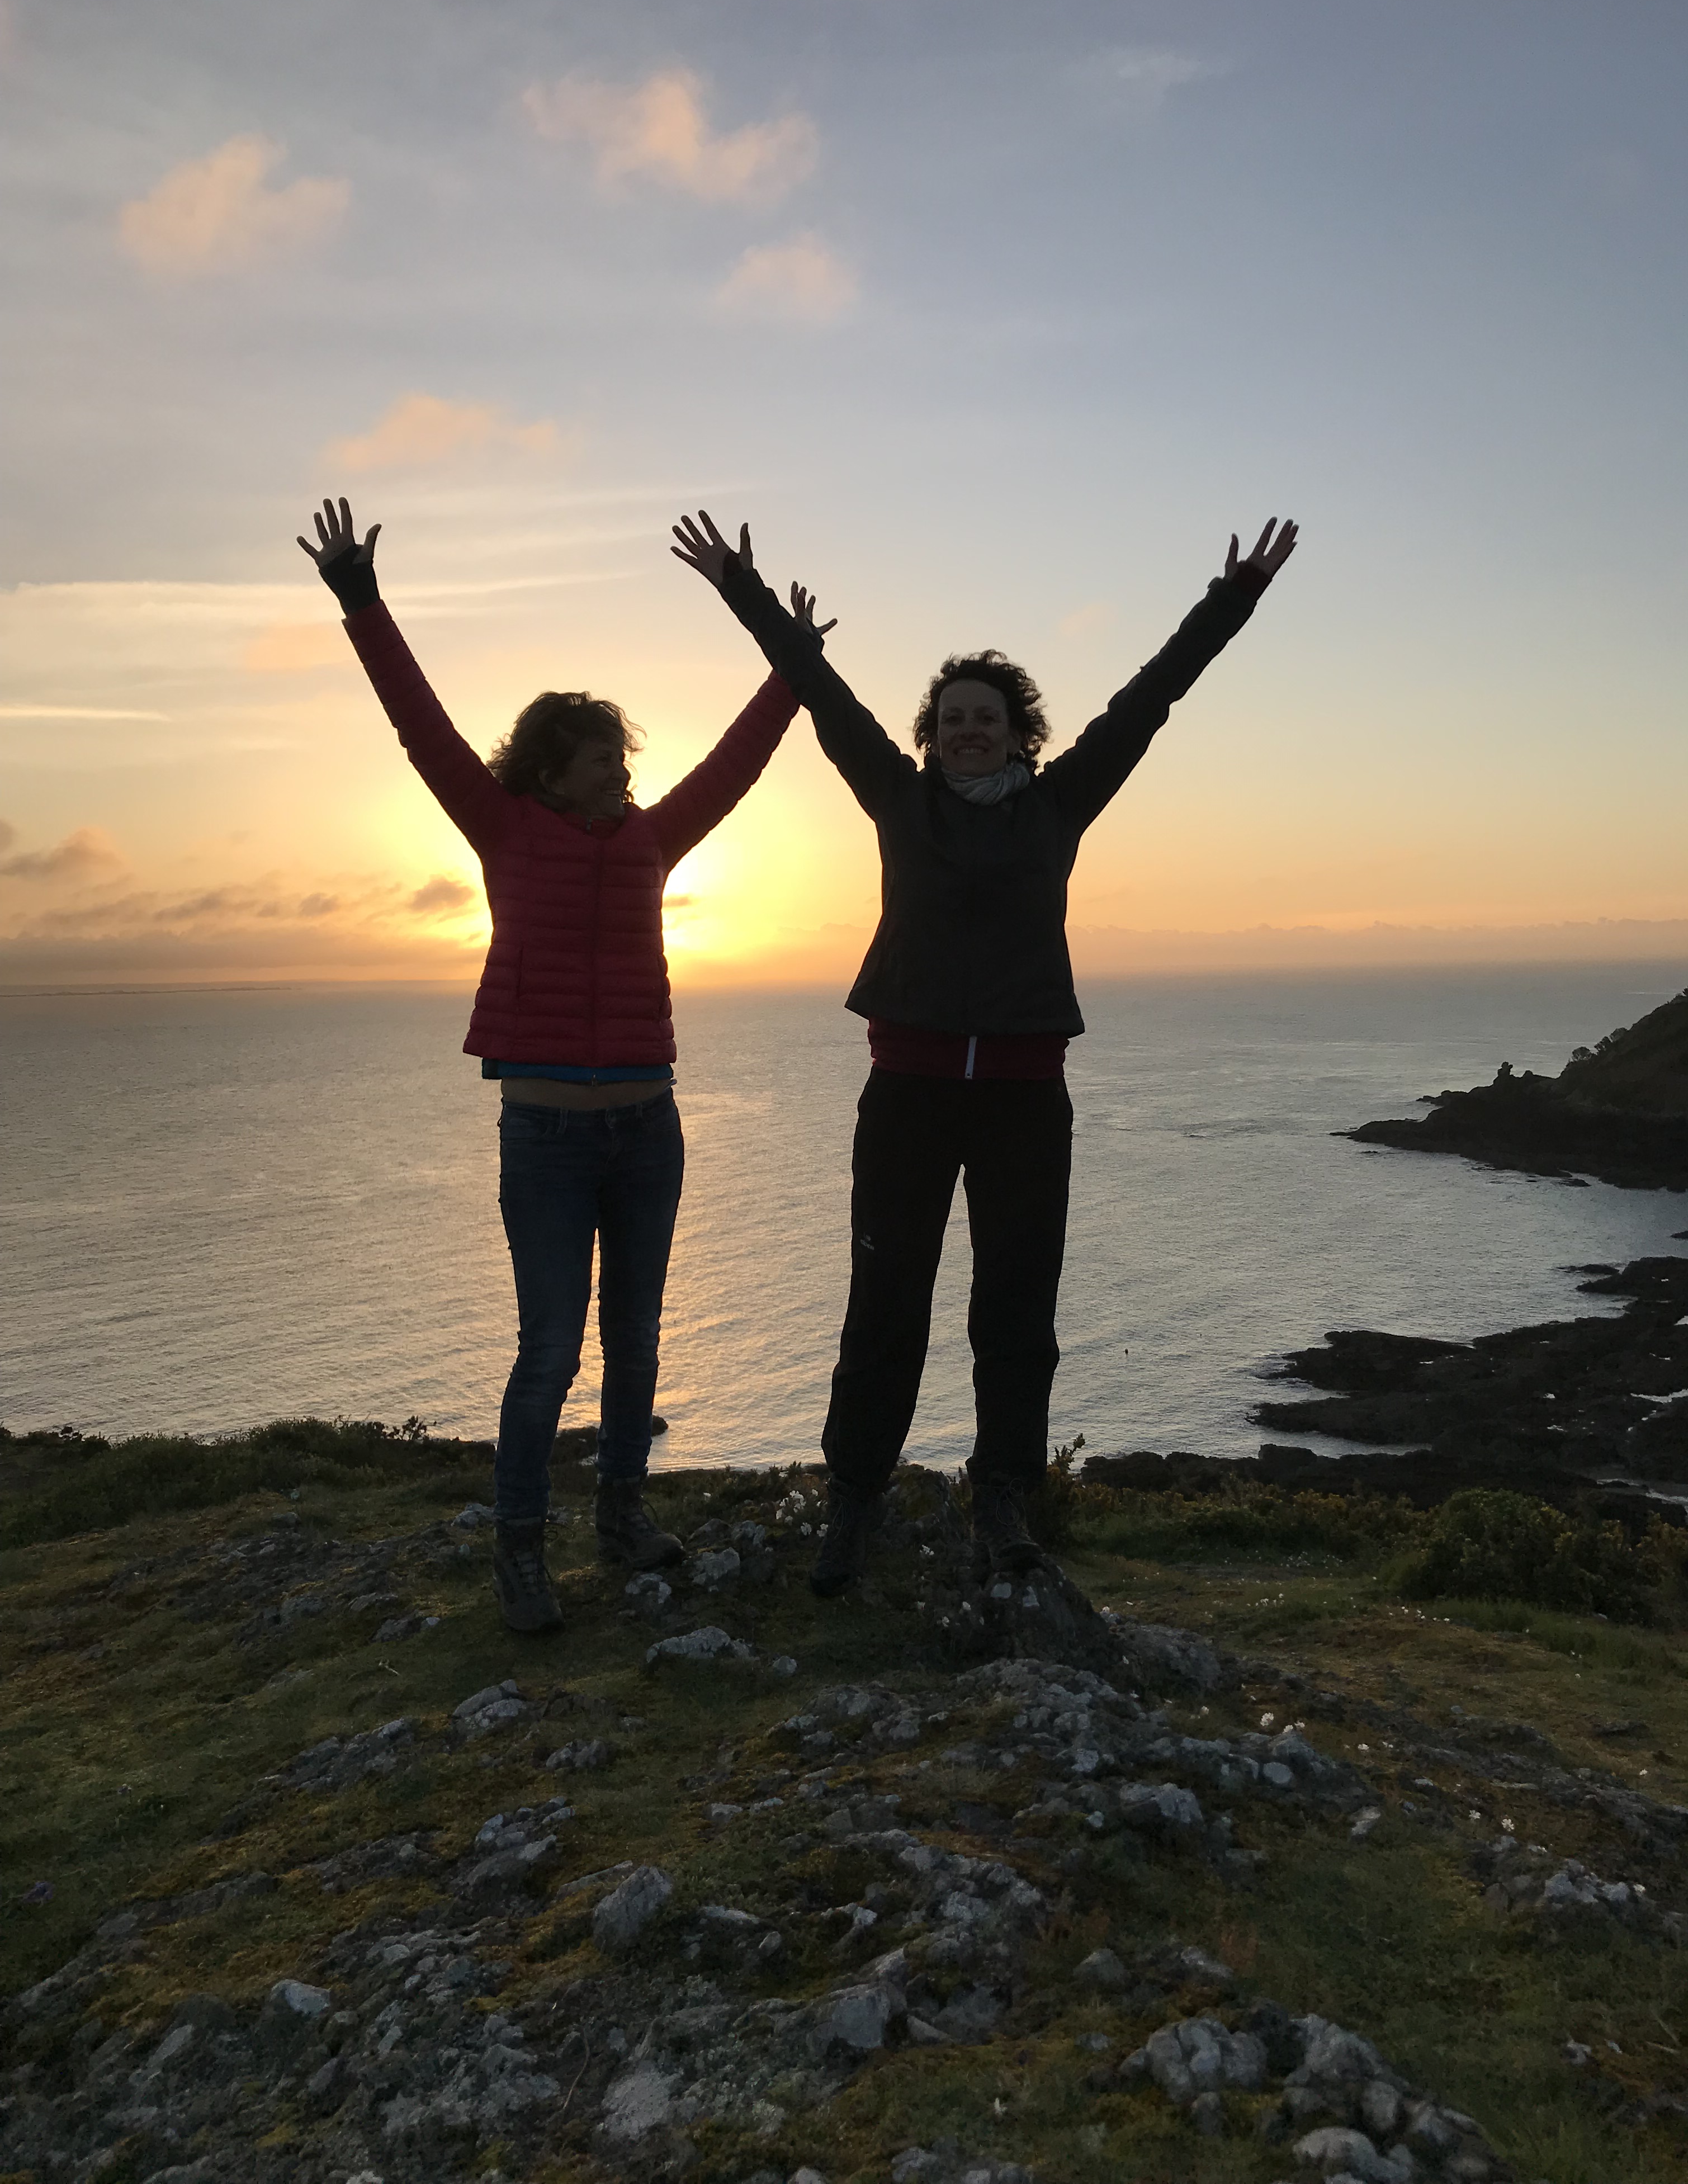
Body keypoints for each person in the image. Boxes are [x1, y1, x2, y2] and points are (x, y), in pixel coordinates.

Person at [673, 507, 1297, 1594]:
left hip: (1022, 1100)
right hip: (906, 1096)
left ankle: (1005, 1496)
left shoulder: (1059, 806)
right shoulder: (897, 798)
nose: (969, 730)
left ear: (1019, 733)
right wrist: (743, 589)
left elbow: (1151, 698)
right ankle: (855, 1497)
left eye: (987, 718)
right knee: (885, 1303)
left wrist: (1232, 598)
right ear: (931, 733)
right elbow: (820, 692)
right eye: (953, 717)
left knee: (1016, 1310)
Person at [300, 496, 800, 1631]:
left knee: (637, 1342)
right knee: (548, 1352)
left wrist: (788, 662)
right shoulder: (503, 829)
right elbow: (420, 726)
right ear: (552, 771)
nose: (622, 772)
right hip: (547, 1138)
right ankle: (520, 1551)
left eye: (622, 757)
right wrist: (361, 600)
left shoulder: (652, 840)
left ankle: (621, 1516)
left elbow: (739, 763)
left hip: (648, 1129)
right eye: (601, 758)